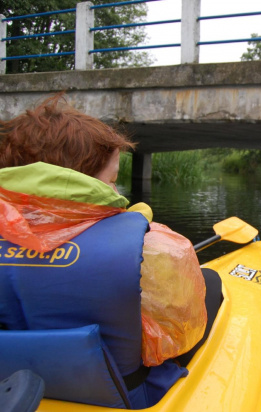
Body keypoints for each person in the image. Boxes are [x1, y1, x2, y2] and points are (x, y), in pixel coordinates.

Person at [0, 94, 207, 408]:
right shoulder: (149, 249)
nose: (116, 192)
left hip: (16, 389)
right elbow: (176, 339)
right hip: (124, 396)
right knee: (214, 285)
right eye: (112, 180)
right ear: (78, 181)